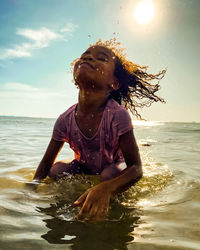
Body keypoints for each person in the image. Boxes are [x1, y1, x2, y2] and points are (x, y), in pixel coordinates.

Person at [33, 38, 166, 221]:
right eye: (84, 57)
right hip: (84, 167)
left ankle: (106, 200)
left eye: (101, 58)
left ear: (114, 82)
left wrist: (107, 188)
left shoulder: (118, 115)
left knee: (108, 175)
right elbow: (45, 164)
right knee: (56, 171)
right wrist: (30, 190)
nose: (88, 59)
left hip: (113, 167)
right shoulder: (65, 120)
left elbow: (136, 168)